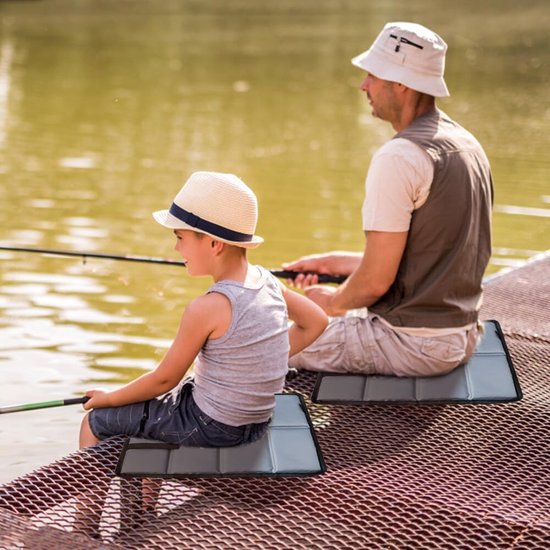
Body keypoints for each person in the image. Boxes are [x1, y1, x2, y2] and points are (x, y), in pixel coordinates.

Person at [283, 22, 493, 377]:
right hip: (462, 336)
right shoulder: (466, 144)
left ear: (400, 83)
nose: (364, 85)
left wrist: (330, 303)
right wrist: (336, 262)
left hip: (410, 343)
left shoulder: (400, 156)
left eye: (372, 75)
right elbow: (440, 255)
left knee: (250, 347)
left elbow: (376, 283)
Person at [79, 171, 328, 449]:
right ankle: (145, 495)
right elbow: (317, 321)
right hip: (256, 423)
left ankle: (90, 495)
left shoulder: (208, 307)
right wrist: (257, 362)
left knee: (96, 421)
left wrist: (108, 398)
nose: (176, 247)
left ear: (213, 243)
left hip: (213, 427)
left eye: (181, 237)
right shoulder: (268, 283)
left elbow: (164, 379)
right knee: (154, 406)